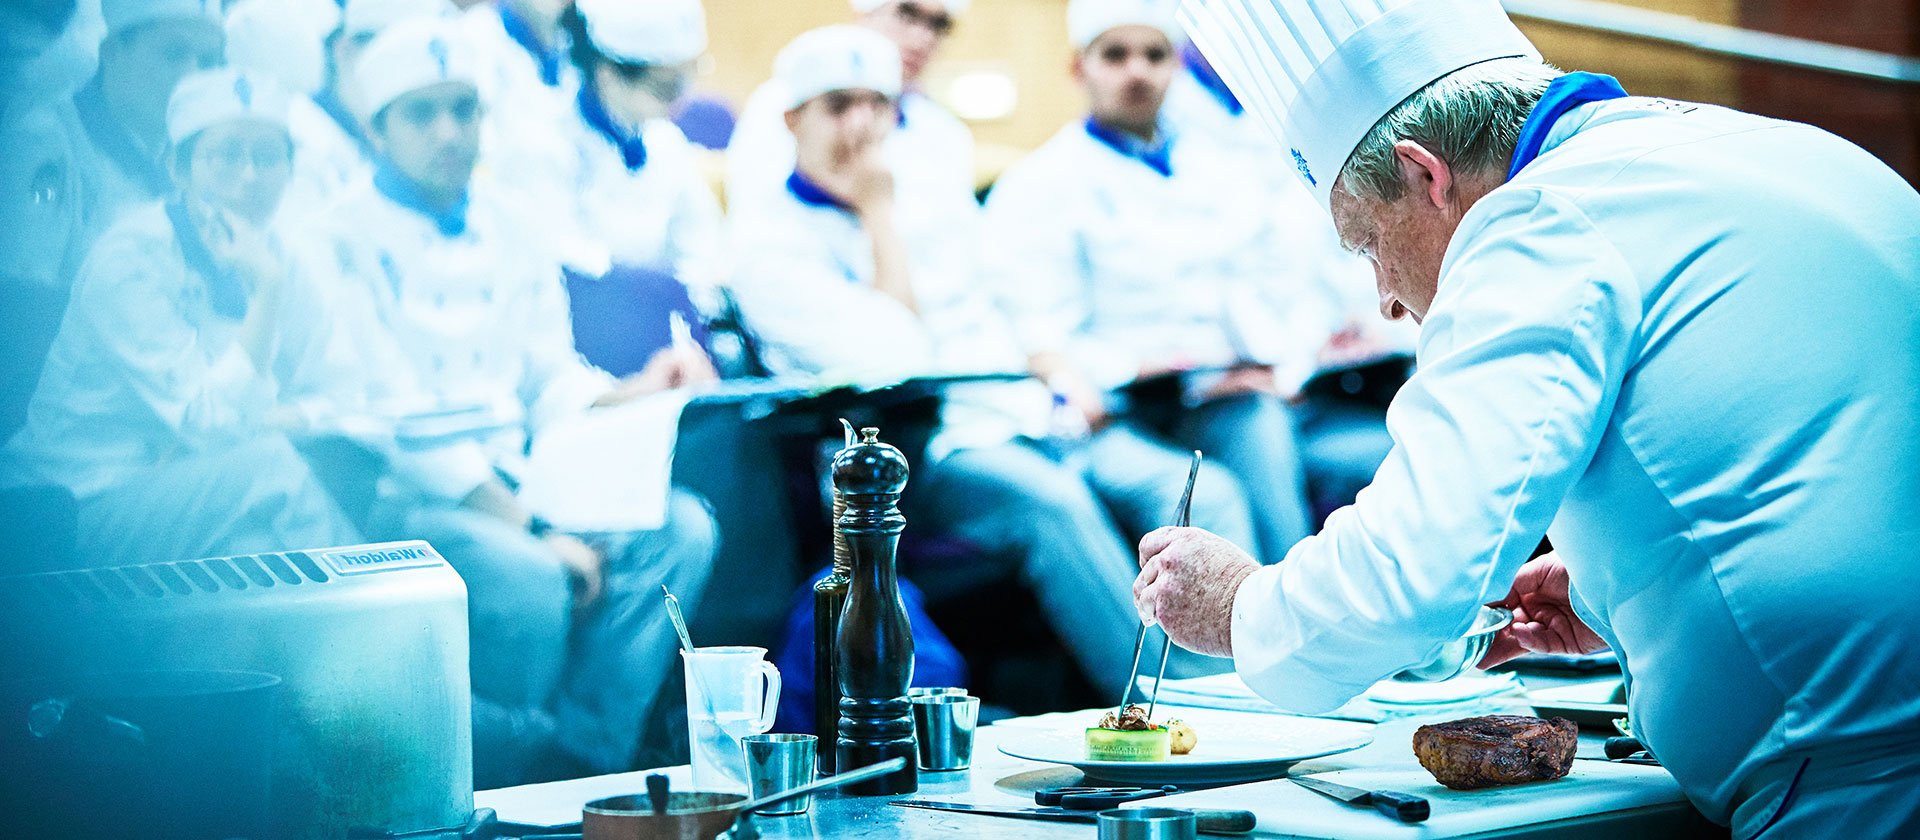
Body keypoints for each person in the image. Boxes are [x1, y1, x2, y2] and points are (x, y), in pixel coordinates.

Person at [1142, 0, 1920, 836]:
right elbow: (1802, 442)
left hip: (1851, 770)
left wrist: (1240, 607)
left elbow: (1412, 571)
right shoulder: (1784, 147)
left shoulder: (1539, 218)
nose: (1387, 300)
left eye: (1367, 244)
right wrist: (1619, 592)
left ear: (1426, 176)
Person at [730, 25, 1251, 698]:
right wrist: (878, 213)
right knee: (1053, 505)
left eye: (876, 104)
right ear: (792, 119)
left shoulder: (928, 204)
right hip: (915, 452)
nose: (859, 126)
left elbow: (1001, 309)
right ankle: (1169, 698)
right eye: (837, 105)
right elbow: (895, 359)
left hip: (1020, 414)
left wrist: (1056, 373)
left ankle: (1244, 684)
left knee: (1197, 486)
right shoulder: (767, 243)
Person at [316, 18, 717, 785]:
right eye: (422, 112)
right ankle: (498, 776)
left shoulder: (511, 225)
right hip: (407, 497)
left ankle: (587, 758)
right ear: (376, 128)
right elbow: (398, 424)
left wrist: (632, 393)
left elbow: (547, 379)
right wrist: (532, 528)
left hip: (523, 473)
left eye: (464, 109)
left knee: (683, 530)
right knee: (529, 577)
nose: (449, 132)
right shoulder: (335, 236)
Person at [982, 0, 1383, 563]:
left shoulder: (1219, 168)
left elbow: (1267, 285)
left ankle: (1305, 625)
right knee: (1231, 470)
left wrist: (1269, 363)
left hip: (1224, 396)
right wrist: (1140, 368)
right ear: (1079, 68)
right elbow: (1039, 335)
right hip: (1119, 415)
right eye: (1115, 55)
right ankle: (1273, 630)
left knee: (1268, 420)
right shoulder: (1038, 185)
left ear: (1176, 66)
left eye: (1154, 55)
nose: (1137, 71)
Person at [3, 68, 361, 567]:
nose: (250, 178)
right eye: (226, 155)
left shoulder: (276, 253)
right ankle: (394, 605)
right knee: (270, 466)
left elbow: (340, 387)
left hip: (189, 489)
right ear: (178, 168)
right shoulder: (131, 259)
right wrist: (266, 293)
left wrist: (275, 416)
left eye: (268, 157)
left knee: (258, 559)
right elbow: (211, 425)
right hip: (72, 505)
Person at [725, 0, 975, 218]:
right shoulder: (783, 101)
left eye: (938, 25)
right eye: (906, 14)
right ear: (862, 14)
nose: (923, 37)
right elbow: (753, 214)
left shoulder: (945, 132)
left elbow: (956, 243)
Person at [70, 0, 225, 241]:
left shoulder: (200, 167)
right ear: (110, 51)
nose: (193, 76)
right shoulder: (61, 149)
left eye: (207, 61)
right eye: (174, 54)